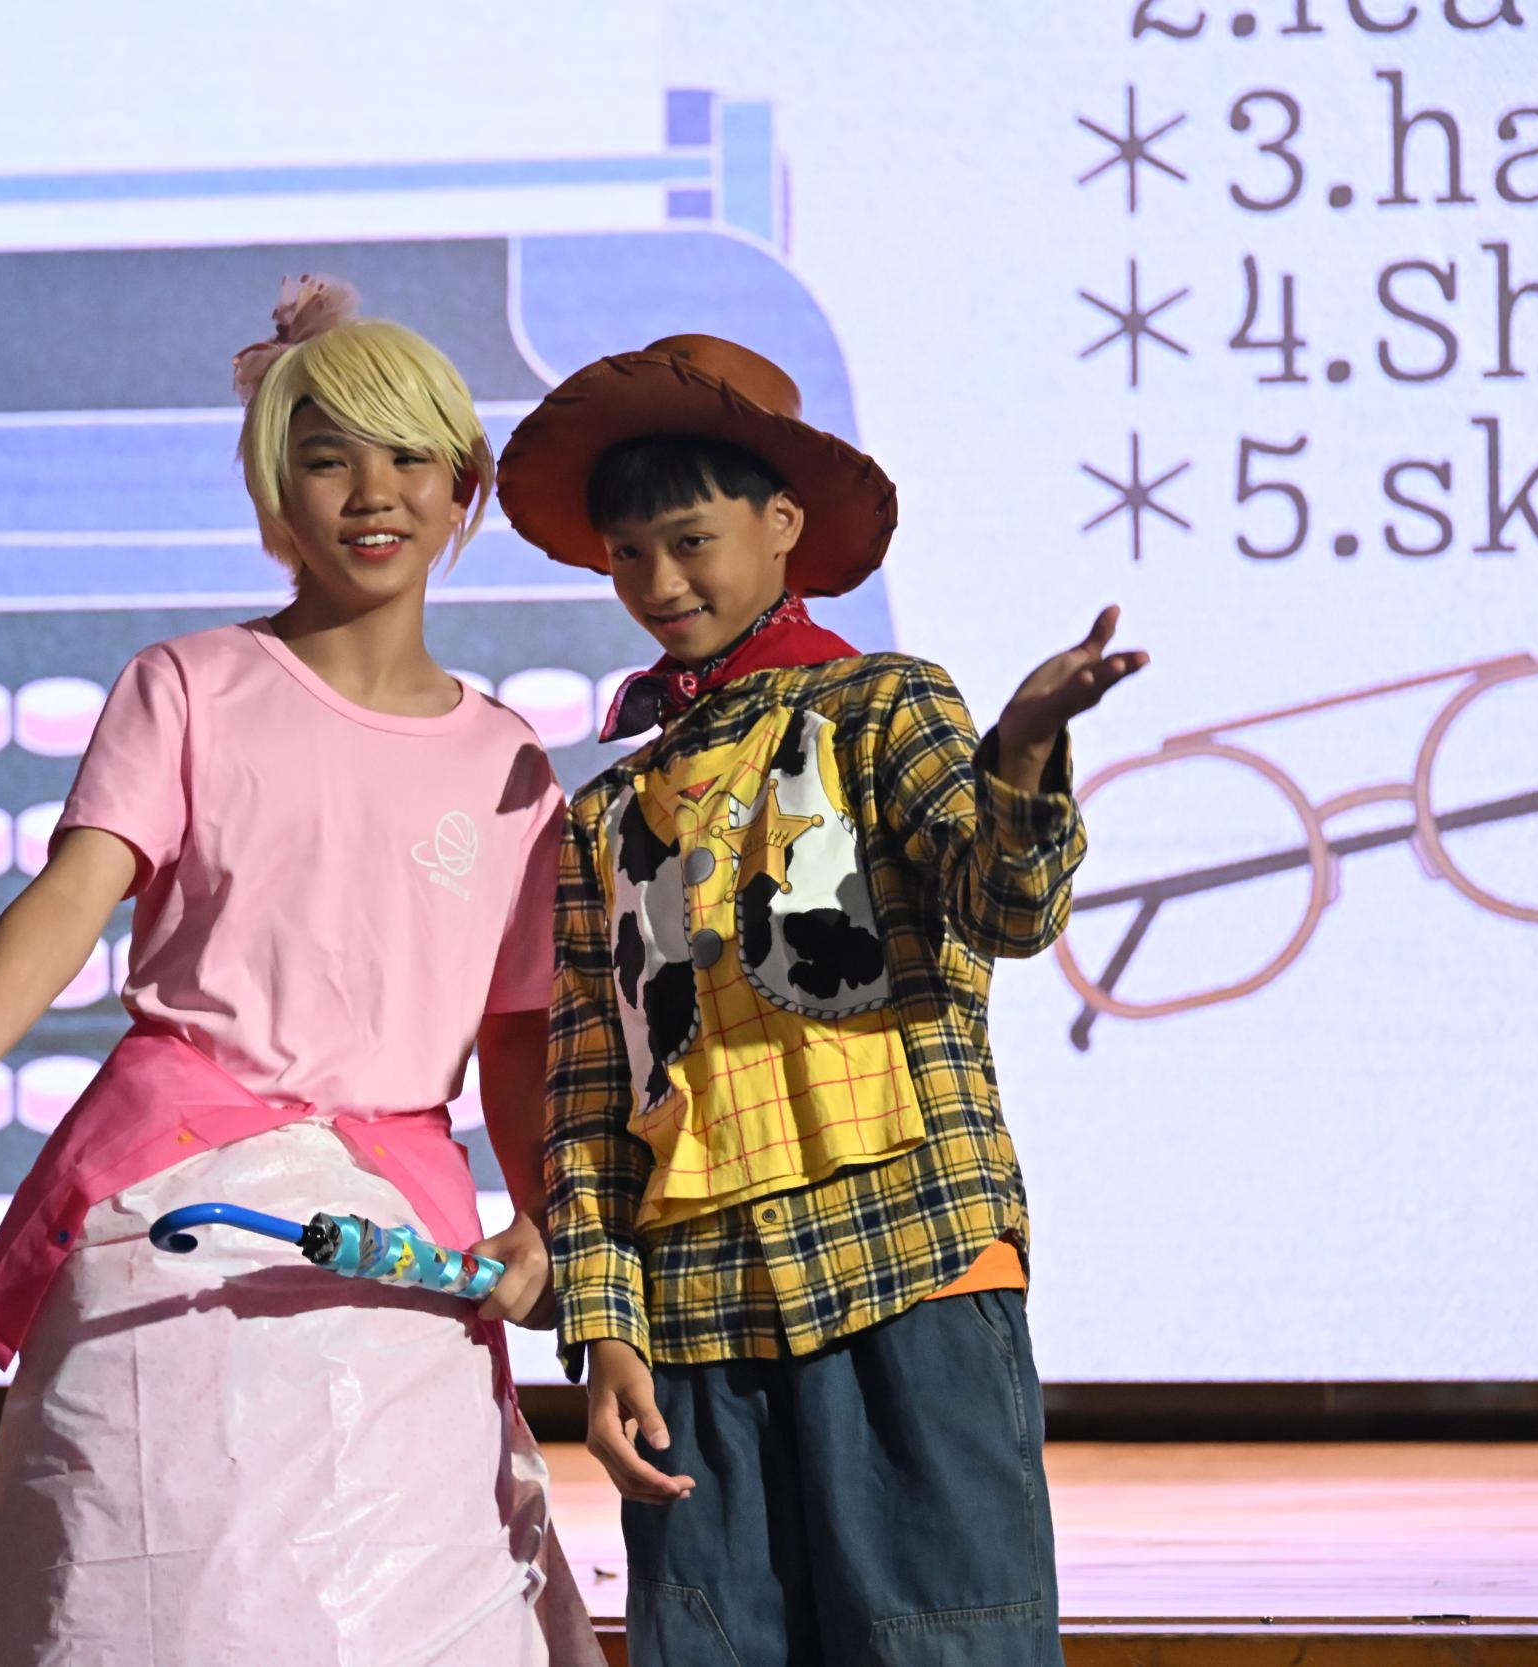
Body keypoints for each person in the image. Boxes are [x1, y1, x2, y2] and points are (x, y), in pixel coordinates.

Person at [0, 278, 597, 1665]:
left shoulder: (508, 763)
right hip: (174, 1201)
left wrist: (552, 1223)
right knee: (149, 1575)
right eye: (326, 459)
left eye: (409, 455)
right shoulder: (188, 683)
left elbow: (514, 1037)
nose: (371, 492)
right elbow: (78, 887)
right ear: (272, 497)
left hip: (398, 1229)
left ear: (464, 488)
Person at [498, 334, 1147, 1664]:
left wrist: (1023, 754)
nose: (660, 584)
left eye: (691, 542)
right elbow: (591, 1095)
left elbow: (1008, 912)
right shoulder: (608, 810)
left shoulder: (878, 707)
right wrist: (605, 1327)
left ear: (783, 524)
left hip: (907, 1269)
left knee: (946, 1644)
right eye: (629, 555)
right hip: (698, 1317)